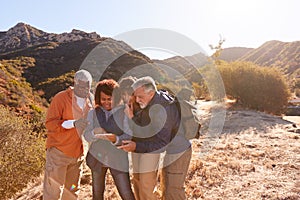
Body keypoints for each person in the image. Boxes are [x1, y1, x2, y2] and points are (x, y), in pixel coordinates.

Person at [118, 76, 180, 200]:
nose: (136, 99)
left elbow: (161, 143)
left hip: (151, 148)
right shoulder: (142, 102)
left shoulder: (163, 108)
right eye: (134, 96)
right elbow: (141, 127)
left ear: (151, 94)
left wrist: (136, 145)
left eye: (139, 96)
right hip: (138, 146)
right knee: (137, 180)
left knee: (146, 185)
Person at [43, 69, 93, 200]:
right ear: (74, 83)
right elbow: (50, 123)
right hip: (58, 153)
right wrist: (74, 123)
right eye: (81, 86)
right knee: (53, 193)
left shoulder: (90, 100)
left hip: (78, 155)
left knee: (71, 193)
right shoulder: (61, 98)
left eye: (87, 87)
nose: (84, 90)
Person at [83, 79, 135, 200]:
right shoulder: (92, 113)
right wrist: (94, 133)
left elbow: (128, 136)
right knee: (97, 194)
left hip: (118, 159)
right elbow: (86, 136)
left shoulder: (124, 112)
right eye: (103, 99)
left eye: (109, 99)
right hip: (97, 158)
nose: (106, 102)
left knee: (126, 193)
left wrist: (115, 139)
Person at [161, 88, 194, 200]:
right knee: (167, 185)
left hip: (180, 151)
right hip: (174, 151)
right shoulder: (168, 104)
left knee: (174, 189)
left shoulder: (165, 108)